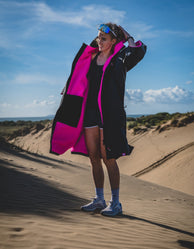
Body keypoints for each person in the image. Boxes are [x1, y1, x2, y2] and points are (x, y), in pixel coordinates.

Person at [50, 23, 146, 217]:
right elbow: (78, 77)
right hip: (89, 112)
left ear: (113, 42)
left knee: (108, 157)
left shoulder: (121, 59)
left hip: (109, 114)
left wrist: (126, 35)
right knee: (94, 156)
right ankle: (99, 199)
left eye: (104, 38)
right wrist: (68, 88)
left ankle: (116, 202)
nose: (99, 41)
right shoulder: (90, 57)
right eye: (98, 37)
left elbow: (138, 50)